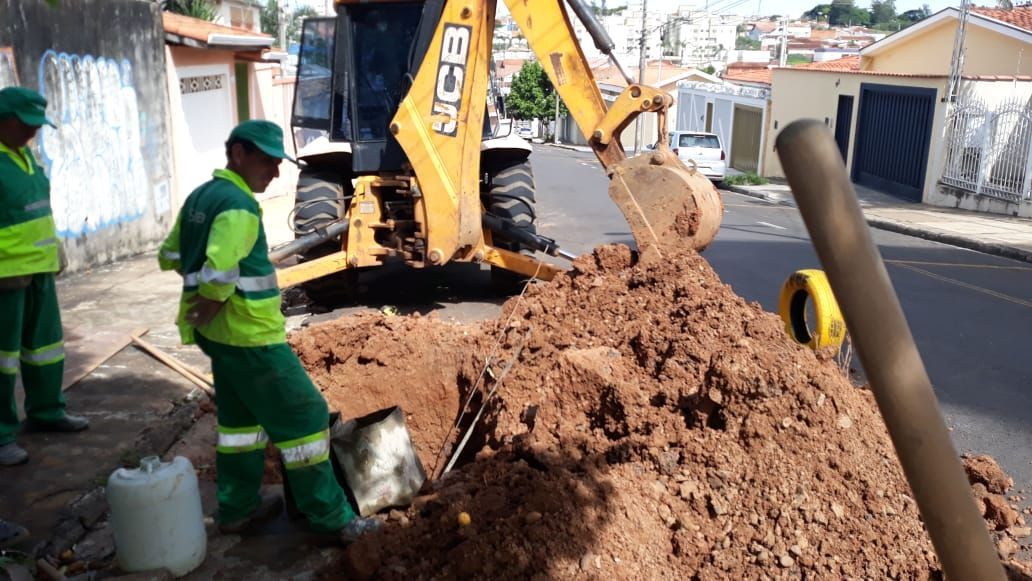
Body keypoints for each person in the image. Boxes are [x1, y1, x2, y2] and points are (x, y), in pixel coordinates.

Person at [157, 120, 378, 542]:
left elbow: (168, 255)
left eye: (278, 164)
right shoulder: (238, 205)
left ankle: (237, 509)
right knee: (307, 418)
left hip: (219, 338)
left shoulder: (201, 197)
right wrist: (211, 299)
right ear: (237, 154)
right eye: (266, 162)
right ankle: (332, 519)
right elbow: (220, 273)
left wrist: (209, 291)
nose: (275, 173)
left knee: (241, 424)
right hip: (250, 336)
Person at [0, 87, 89, 467]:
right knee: (3, 359)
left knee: (45, 348)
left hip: (39, 270)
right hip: (5, 278)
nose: (32, 132)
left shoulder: (23, 156)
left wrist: (56, 248)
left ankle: (47, 411)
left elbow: (34, 211)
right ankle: (2, 435)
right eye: (26, 125)